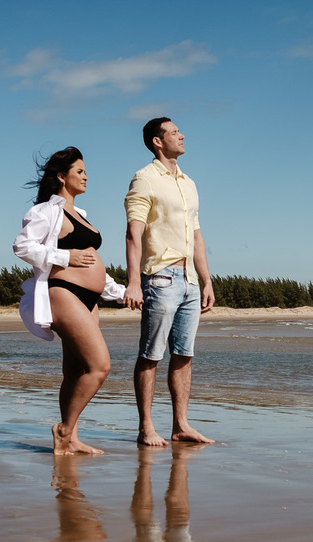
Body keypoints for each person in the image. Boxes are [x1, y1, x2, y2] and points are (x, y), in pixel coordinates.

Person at [14, 147, 125, 455]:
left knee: (75, 371)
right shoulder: (48, 212)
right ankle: (63, 431)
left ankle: (71, 437)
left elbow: (93, 264)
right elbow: (23, 246)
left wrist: (121, 292)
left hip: (90, 299)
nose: (86, 176)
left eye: (86, 171)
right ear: (62, 177)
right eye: (80, 171)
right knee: (99, 367)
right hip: (63, 293)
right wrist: (65, 256)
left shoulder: (82, 216)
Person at [123, 118, 215, 446]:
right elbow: (133, 233)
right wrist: (133, 282)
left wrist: (206, 280)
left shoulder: (189, 183)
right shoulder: (144, 179)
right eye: (175, 132)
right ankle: (146, 427)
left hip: (190, 279)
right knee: (151, 354)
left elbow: (197, 234)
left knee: (184, 354)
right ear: (157, 141)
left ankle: (181, 425)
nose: (182, 134)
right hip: (160, 278)